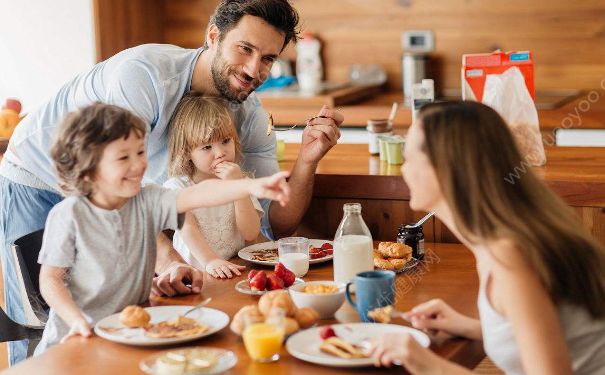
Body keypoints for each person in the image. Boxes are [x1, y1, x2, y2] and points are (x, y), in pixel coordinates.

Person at [0, 0, 342, 364]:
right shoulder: (143, 78)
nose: (253, 69)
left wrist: (303, 163)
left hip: (122, 197)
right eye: (245, 48)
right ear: (213, 36)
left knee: (114, 315)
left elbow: (267, 219)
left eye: (268, 58)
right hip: (40, 180)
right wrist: (169, 260)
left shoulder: (246, 113)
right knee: (39, 326)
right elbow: (125, 191)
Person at [367, 101, 605, 374]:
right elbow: (552, 333)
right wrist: (471, 327)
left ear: (445, 170)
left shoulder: (510, 255)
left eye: (409, 159)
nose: (403, 170)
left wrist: (428, 365)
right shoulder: (507, 236)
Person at [34, 103, 289, 354]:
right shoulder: (69, 215)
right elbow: (51, 279)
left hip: (130, 331)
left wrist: (249, 187)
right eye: (124, 157)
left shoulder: (147, 199)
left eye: (140, 152)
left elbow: (198, 194)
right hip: (75, 338)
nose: (138, 165)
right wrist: (76, 319)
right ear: (88, 170)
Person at [164, 93, 259, 279]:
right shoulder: (178, 188)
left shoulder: (242, 181)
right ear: (186, 153)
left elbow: (251, 233)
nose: (220, 153)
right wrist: (210, 261)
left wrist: (237, 187)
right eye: (207, 147)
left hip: (235, 270)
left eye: (225, 141)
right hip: (195, 274)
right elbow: (187, 229)